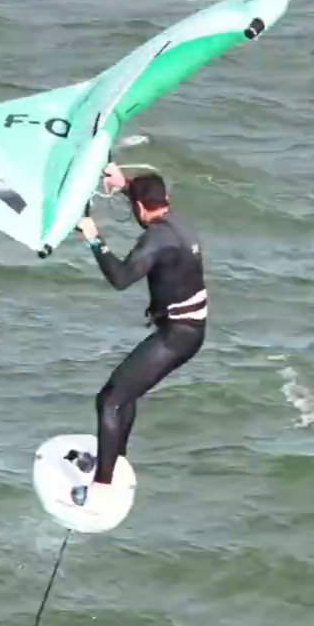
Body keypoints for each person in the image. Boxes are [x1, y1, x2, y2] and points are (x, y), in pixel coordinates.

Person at [71, 164, 207, 512]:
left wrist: (92, 237)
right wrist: (122, 184)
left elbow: (120, 278)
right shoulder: (176, 221)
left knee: (110, 401)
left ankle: (101, 489)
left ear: (140, 209)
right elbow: (144, 195)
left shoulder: (156, 239)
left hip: (178, 336)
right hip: (186, 330)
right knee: (125, 394)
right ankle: (112, 461)